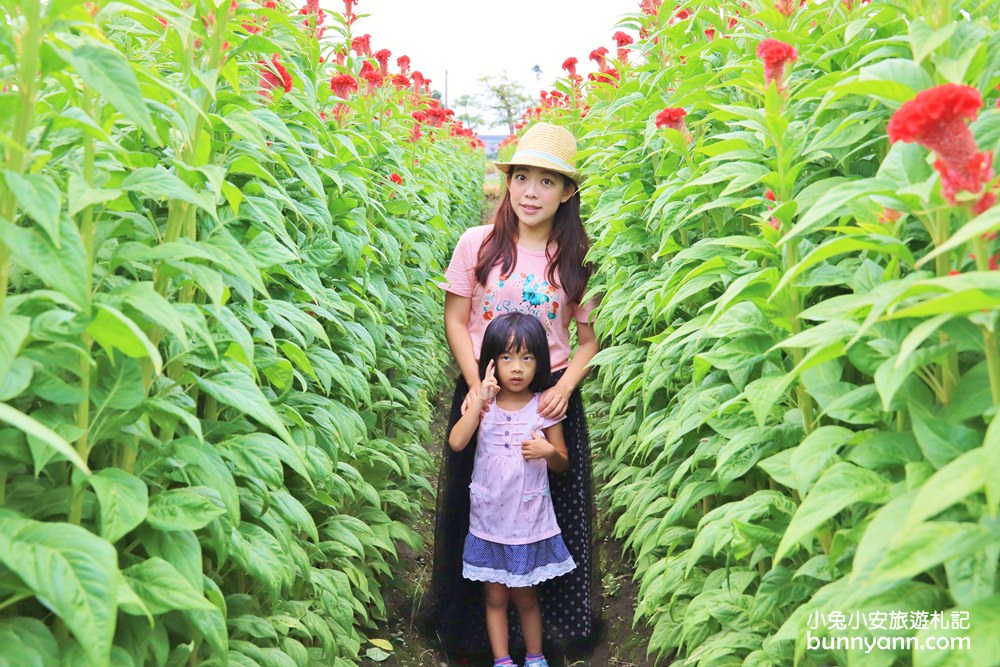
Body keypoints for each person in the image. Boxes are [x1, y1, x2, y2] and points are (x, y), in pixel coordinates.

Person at [421, 122, 601, 662]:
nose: (529, 192)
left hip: (547, 404)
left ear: (567, 192)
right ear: (507, 183)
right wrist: (478, 389)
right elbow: (456, 320)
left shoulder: (578, 257)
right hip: (483, 398)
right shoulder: (477, 244)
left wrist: (565, 388)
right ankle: (484, 642)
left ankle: (546, 641)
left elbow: (589, 340)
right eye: (521, 177)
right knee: (477, 511)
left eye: (546, 182)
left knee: (551, 520)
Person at [449, 312, 576, 667]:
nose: (516, 368)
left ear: (540, 362)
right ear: (491, 362)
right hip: (489, 520)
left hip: (528, 521)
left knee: (526, 596)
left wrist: (548, 452)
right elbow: (457, 442)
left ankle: (535, 657)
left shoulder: (544, 408)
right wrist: (479, 400)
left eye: (526, 357)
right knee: (494, 596)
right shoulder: (483, 407)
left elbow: (562, 460)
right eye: (506, 357)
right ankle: (502, 660)